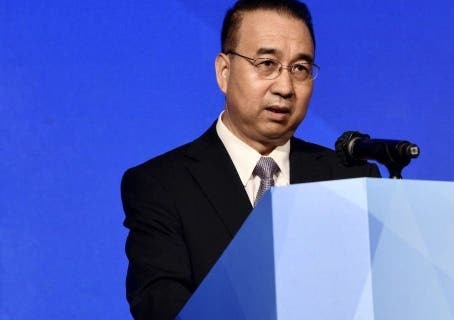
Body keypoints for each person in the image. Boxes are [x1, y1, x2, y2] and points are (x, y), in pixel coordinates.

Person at [120, 0, 380, 319]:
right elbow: (160, 304)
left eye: (300, 68)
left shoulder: (349, 179)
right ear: (224, 72)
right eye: (267, 63)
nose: (285, 87)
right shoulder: (161, 185)